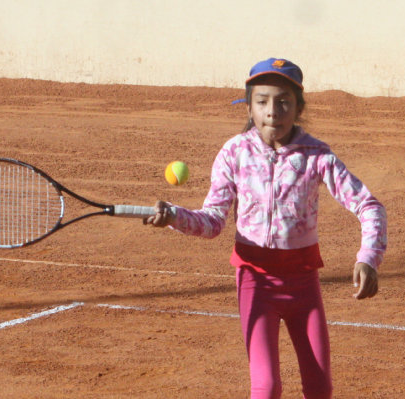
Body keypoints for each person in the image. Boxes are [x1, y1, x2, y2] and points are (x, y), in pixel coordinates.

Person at [144, 57, 387, 399]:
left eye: (283, 101)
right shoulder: (234, 153)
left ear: (299, 107)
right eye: (262, 101)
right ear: (249, 107)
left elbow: (368, 205)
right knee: (266, 388)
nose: (273, 110)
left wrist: (368, 257)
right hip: (255, 283)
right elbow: (213, 221)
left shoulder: (317, 156)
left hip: (304, 283)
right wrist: (175, 216)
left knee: (320, 389)